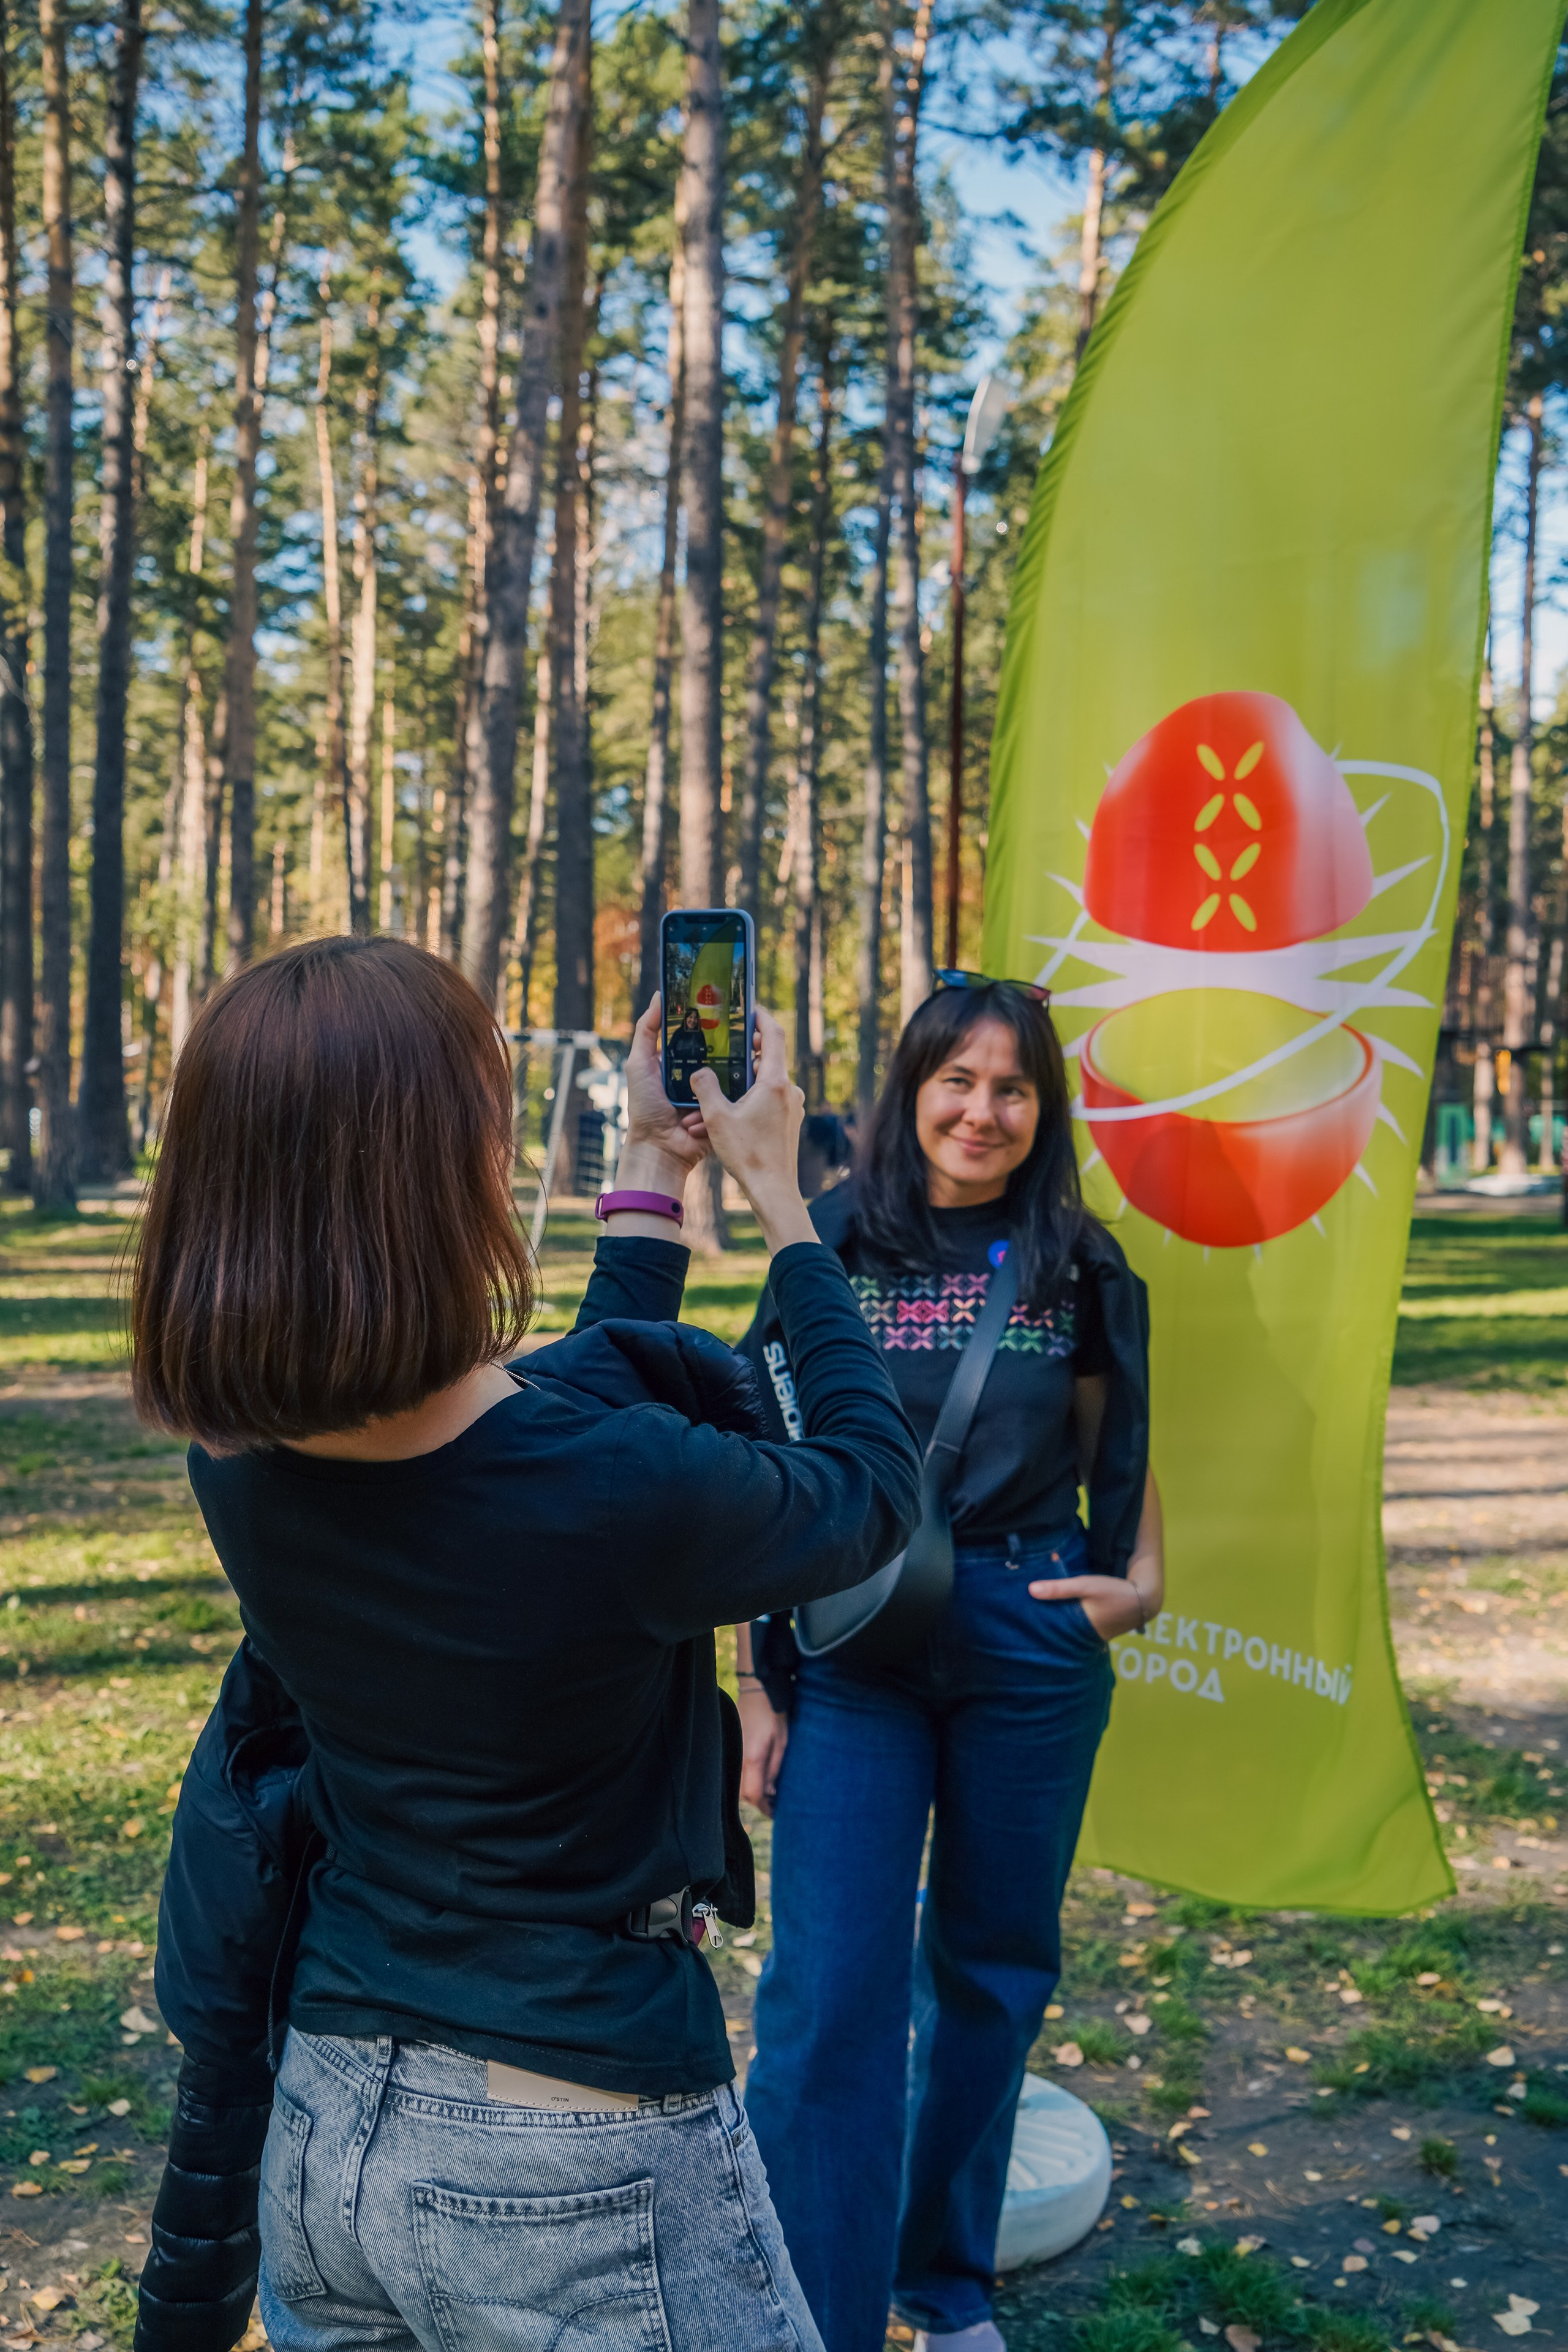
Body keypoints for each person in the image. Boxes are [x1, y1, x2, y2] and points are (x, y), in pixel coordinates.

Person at [127, 937, 922, 2352]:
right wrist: (785, 1207)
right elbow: (868, 1490)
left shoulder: (237, 1463)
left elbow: (548, 1419)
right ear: (442, 1176)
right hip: (571, 2150)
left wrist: (650, 1165)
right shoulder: (612, 1493)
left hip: (325, 2119)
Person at [735, 974, 1163, 2352]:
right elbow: (766, 1460)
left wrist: (1141, 1579)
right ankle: (813, 2310)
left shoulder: (1076, 1260)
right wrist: (756, 1681)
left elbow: (1114, 1429)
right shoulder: (831, 1238)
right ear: (911, 1087)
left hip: (1028, 1633)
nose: (983, 1111)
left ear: (1043, 1109)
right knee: (827, 1994)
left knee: (989, 1973)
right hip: (856, 1643)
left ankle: (942, 2283)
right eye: (958, 1080)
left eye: (1013, 1088)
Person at [668, 1001, 710, 1090]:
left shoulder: (700, 1034)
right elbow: (670, 1050)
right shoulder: (678, 1033)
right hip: (679, 1069)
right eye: (690, 1017)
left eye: (695, 1018)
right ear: (686, 1018)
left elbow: (704, 1051)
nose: (693, 1020)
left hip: (696, 1071)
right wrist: (674, 1074)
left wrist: (702, 1066)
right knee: (678, 1090)